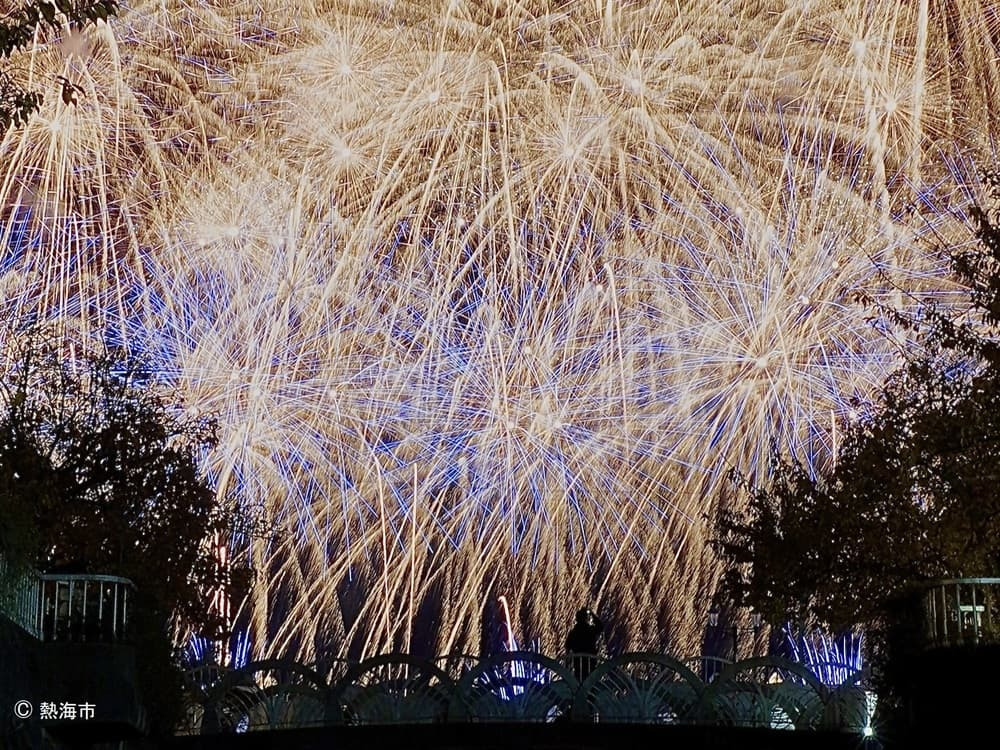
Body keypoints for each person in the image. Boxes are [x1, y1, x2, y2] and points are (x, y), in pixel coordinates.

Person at [565, 606, 604, 683]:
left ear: (577, 619)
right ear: (586, 618)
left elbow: (567, 648)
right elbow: (600, 626)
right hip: (590, 663)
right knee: (590, 684)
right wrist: (592, 613)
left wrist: (567, 666)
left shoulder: (573, 633)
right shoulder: (590, 630)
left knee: (578, 683)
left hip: (578, 664)